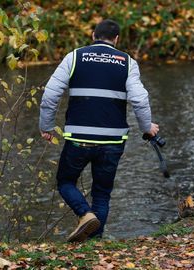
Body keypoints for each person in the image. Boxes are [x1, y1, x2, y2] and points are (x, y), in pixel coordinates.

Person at [39, 19, 159, 242]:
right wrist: (147, 128)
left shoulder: (74, 57)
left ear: (93, 35)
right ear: (116, 39)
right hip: (113, 142)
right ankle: (95, 244)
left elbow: (50, 95)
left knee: (65, 182)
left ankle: (84, 215)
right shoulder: (128, 62)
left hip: (78, 139)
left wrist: (46, 126)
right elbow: (140, 101)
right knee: (102, 195)